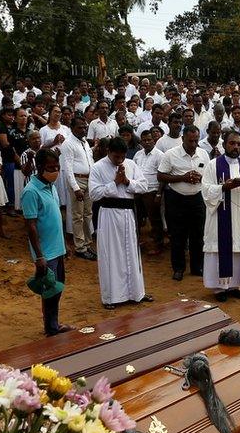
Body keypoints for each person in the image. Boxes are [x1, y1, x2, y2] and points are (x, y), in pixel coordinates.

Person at [88, 137, 154, 309]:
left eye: (122, 156)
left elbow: (144, 186)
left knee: (131, 253)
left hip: (128, 214)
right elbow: (94, 194)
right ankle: (111, 297)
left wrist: (126, 181)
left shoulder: (131, 165)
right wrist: (114, 183)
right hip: (109, 215)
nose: (120, 160)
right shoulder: (97, 167)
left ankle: (136, 293)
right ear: (108, 152)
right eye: (116, 157)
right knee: (111, 255)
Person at [201, 130, 240, 301]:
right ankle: (220, 288)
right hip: (221, 216)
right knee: (221, 248)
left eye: (239, 144)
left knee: (239, 248)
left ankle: (236, 284)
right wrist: (223, 187)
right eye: (232, 143)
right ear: (224, 144)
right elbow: (205, 190)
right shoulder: (213, 165)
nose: (236, 147)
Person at [21, 148, 71, 336]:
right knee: (49, 291)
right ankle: (51, 328)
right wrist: (39, 256)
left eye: (57, 167)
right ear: (39, 167)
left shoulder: (51, 187)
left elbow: (56, 218)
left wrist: (66, 244)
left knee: (56, 289)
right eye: (51, 167)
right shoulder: (31, 192)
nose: (55, 171)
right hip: (46, 253)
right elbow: (31, 226)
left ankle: (54, 324)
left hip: (57, 249)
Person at [158, 124, 211, 281]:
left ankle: (197, 267)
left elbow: (208, 175)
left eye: (196, 141)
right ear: (183, 139)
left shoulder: (203, 154)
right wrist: (183, 177)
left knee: (198, 235)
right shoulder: (170, 154)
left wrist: (199, 178)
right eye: (190, 141)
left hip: (197, 198)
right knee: (178, 236)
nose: (194, 144)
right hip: (177, 199)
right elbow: (161, 176)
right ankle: (178, 268)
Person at [60, 117, 97, 261]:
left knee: (88, 213)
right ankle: (80, 247)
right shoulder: (68, 143)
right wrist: (75, 187)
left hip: (89, 180)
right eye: (80, 127)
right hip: (77, 180)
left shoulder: (85, 142)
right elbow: (67, 168)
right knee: (78, 216)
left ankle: (87, 244)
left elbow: (89, 161)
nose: (83, 130)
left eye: (84, 127)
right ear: (72, 127)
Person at [134, 129, 165, 255]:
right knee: (136, 219)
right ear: (141, 141)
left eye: (149, 140)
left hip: (152, 191)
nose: (147, 142)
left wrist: (159, 194)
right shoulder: (138, 154)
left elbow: (162, 176)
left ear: (154, 140)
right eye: (144, 140)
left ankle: (158, 245)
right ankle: (137, 243)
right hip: (137, 191)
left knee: (155, 220)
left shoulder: (160, 155)